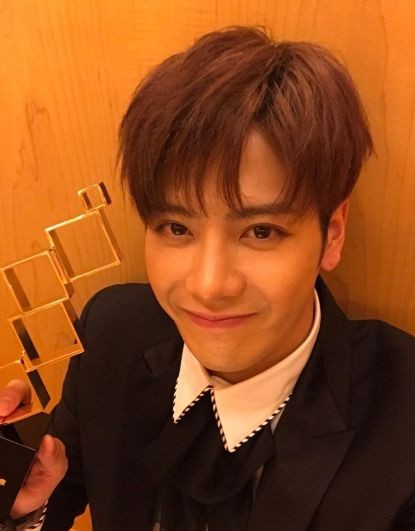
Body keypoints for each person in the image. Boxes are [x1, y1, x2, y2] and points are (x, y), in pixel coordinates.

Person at [1, 25, 415, 531]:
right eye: (177, 228)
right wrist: (19, 492)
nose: (209, 286)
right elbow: (56, 490)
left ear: (332, 233)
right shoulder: (112, 334)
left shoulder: (405, 418)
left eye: (261, 231)